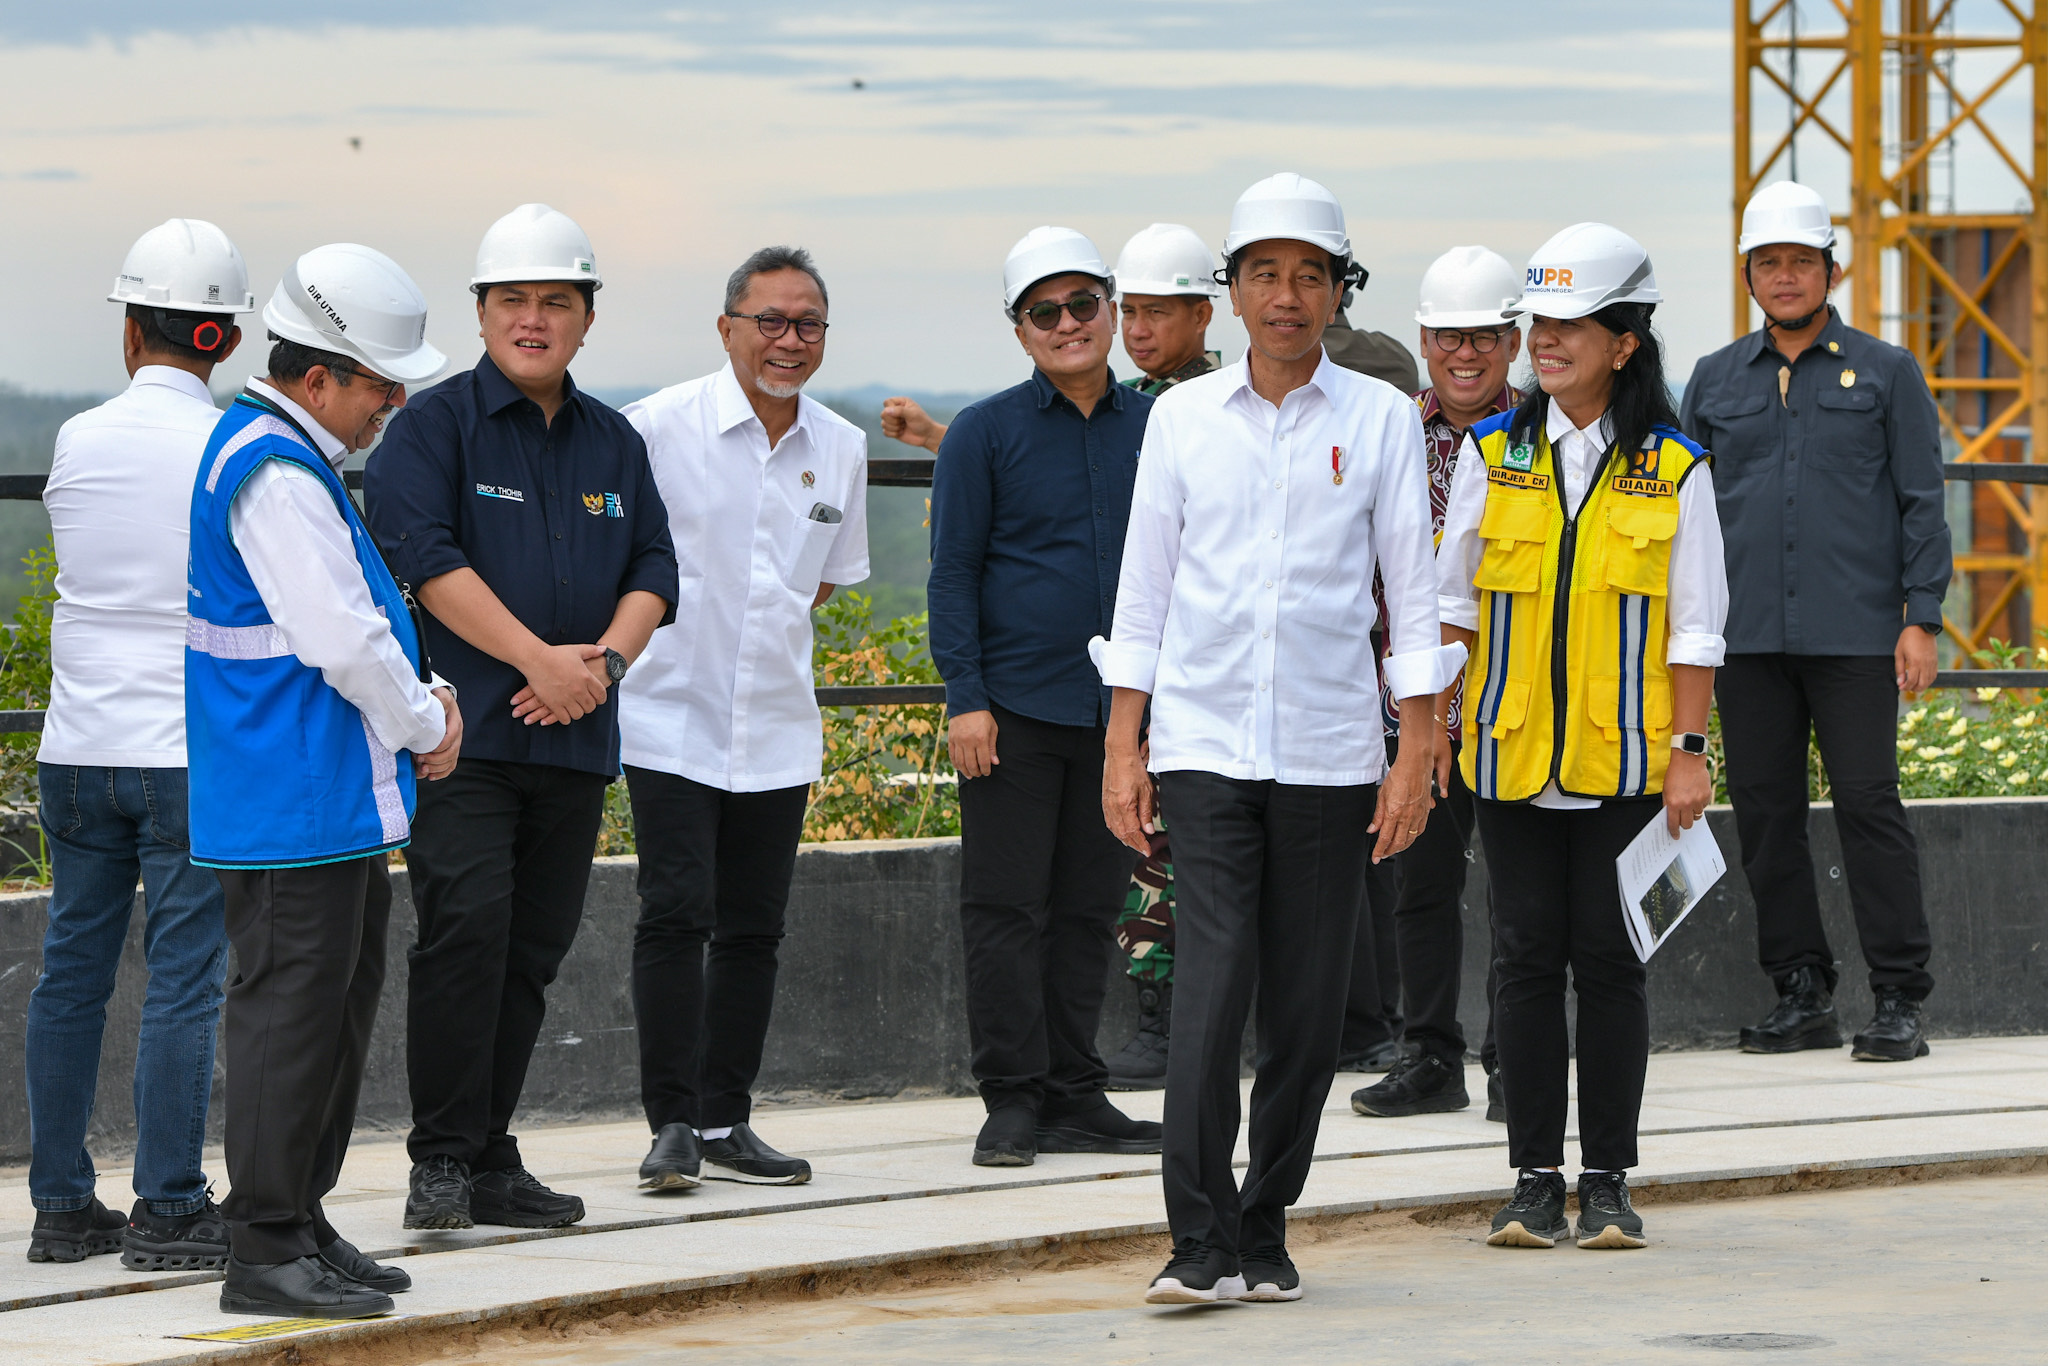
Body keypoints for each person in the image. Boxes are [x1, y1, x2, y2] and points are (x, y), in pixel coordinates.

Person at [1099, 173, 1463, 1305]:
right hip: (1203, 744)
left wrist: (1414, 751)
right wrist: (1126, 744)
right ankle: (1196, 1238)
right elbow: (1143, 590)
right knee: (1209, 989)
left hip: (1328, 750)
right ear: (1234, 289)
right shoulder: (1179, 419)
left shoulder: (1377, 420)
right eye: (1264, 274)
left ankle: (1266, 1222)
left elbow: (1409, 591)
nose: (1286, 296)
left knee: (1307, 1012)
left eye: (1309, 275)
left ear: (1337, 292)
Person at [365, 205, 679, 1232]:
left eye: (555, 301)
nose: (532, 319)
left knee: (531, 950)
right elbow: (424, 557)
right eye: (512, 301)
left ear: (586, 317)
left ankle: (490, 1155)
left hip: (576, 735)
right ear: (483, 311)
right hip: (469, 742)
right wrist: (537, 661)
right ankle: (442, 1163)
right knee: (462, 937)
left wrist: (602, 665)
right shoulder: (433, 425)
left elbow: (653, 570)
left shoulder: (613, 440)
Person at [1438, 225, 1726, 1252]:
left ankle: (1604, 1180)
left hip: (1622, 765)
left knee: (1608, 966)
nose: (1544, 344)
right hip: (1510, 756)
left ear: (1624, 342)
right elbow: (1450, 607)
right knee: (1519, 962)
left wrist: (1687, 751)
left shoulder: (1671, 466)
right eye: (1539, 325)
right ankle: (1529, 1178)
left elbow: (1696, 622)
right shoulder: (1492, 452)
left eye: (1568, 327)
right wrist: (1432, 726)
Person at [187, 243, 460, 1316]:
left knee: (334, 1008)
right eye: (381, 386)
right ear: (317, 377)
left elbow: (360, 619)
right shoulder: (272, 469)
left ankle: (299, 1214)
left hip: (324, 794)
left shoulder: (286, 455)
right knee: (288, 1015)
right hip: (289, 795)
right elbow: (339, 636)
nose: (389, 405)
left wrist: (419, 698)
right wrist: (424, 718)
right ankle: (261, 1246)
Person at [24, 220, 250, 1270]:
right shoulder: (230, 444)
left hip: (74, 750)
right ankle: (167, 1206)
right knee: (183, 979)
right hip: (185, 755)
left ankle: (63, 1206)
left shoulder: (76, 440)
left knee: (70, 974)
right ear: (227, 341)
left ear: (130, 333)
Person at [619, 246, 868, 1191]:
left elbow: (825, 583)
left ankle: (728, 1118)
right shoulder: (654, 430)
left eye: (807, 323)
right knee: (676, 915)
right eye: (769, 320)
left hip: (774, 721)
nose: (788, 340)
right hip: (668, 712)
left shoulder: (838, 449)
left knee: (755, 929)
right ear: (727, 328)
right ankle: (671, 1124)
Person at [1681, 181, 1947, 1062]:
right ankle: (1801, 990)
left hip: (1856, 633)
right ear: (1749, 275)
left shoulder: (1885, 371)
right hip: (1745, 635)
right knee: (1765, 813)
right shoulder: (1716, 380)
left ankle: (1900, 997)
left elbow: (1919, 499)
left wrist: (1923, 618)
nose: (1785, 276)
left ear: (1832, 269)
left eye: (1801, 261)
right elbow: (1684, 517)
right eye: (1769, 263)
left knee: (1870, 805)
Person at [927, 226, 1163, 1168]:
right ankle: (1013, 1098)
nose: (1067, 324)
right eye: (1045, 312)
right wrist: (965, 698)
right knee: (1003, 908)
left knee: (1086, 907)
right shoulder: (986, 433)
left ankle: (1074, 1089)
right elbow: (953, 573)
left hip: (1120, 718)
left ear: (1111, 309)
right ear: (1021, 330)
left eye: (1083, 305)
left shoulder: (1160, 427)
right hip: (1015, 709)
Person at [1351, 245, 1524, 1124]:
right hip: (1410, 697)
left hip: (1519, 697)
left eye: (1487, 337)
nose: (1467, 354)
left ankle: (1515, 1059)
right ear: (1423, 338)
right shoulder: (1388, 430)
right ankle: (1429, 1056)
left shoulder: (1543, 436)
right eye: (1450, 336)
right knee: (1419, 879)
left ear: (1515, 340)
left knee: (1518, 887)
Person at [1097, 222, 1223, 1090]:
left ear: (1203, 314)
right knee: (1153, 851)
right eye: (1129, 311)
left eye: (1158, 311)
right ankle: (1160, 1024)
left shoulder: (1215, 407)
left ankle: (1177, 1030)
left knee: (1180, 860)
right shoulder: (1128, 403)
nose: (1139, 328)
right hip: (1145, 662)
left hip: (1210, 664)